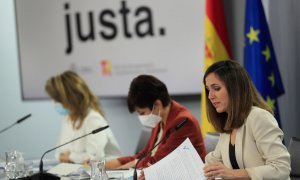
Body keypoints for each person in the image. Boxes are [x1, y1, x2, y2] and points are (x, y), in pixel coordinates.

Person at [202, 60, 291, 179]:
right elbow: (213, 161)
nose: (210, 96)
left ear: (235, 89)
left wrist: (232, 174)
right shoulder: (228, 121)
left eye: (216, 88)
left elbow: (281, 168)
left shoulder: (258, 117)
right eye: (208, 90)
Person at [106, 74, 206, 169]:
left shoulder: (183, 122)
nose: (141, 117)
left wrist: (132, 164)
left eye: (142, 112)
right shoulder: (160, 119)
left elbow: (158, 162)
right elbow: (143, 154)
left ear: (157, 105)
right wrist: (110, 164)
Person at [45, 70, 122, 164]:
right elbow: (59, 154)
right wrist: (72, 157)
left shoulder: (93, 119)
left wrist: (70, 156)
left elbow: (94, 157)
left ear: (70, 98)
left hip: (108, 173)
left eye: (57, 100)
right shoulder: (67, 119)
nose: (54, 103)